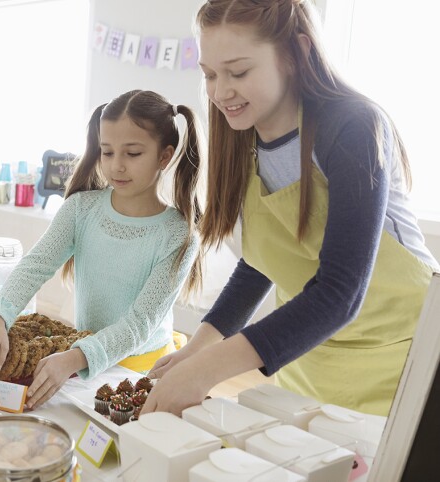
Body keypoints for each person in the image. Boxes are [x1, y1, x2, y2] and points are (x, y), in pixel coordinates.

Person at [143, 0, 439, 417]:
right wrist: (198, 347)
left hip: (401, 366)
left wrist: (210, 368)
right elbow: (266, 259)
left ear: (295, 55)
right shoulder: (242, 138)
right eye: (209, 75)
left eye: (239, 72)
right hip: (307, 362)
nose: (220, 91)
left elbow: (340, 292)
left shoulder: (353, 125)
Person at [0, 90, 204, 409]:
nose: (117, 166)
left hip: (140, 370)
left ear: (164, 157)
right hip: (84, 358)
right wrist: (0, 316)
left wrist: (74, 358)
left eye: (133, 154)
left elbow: (138, 326)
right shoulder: (80, 210)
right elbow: (34, 267)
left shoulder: (178, 234)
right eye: (107, 152)